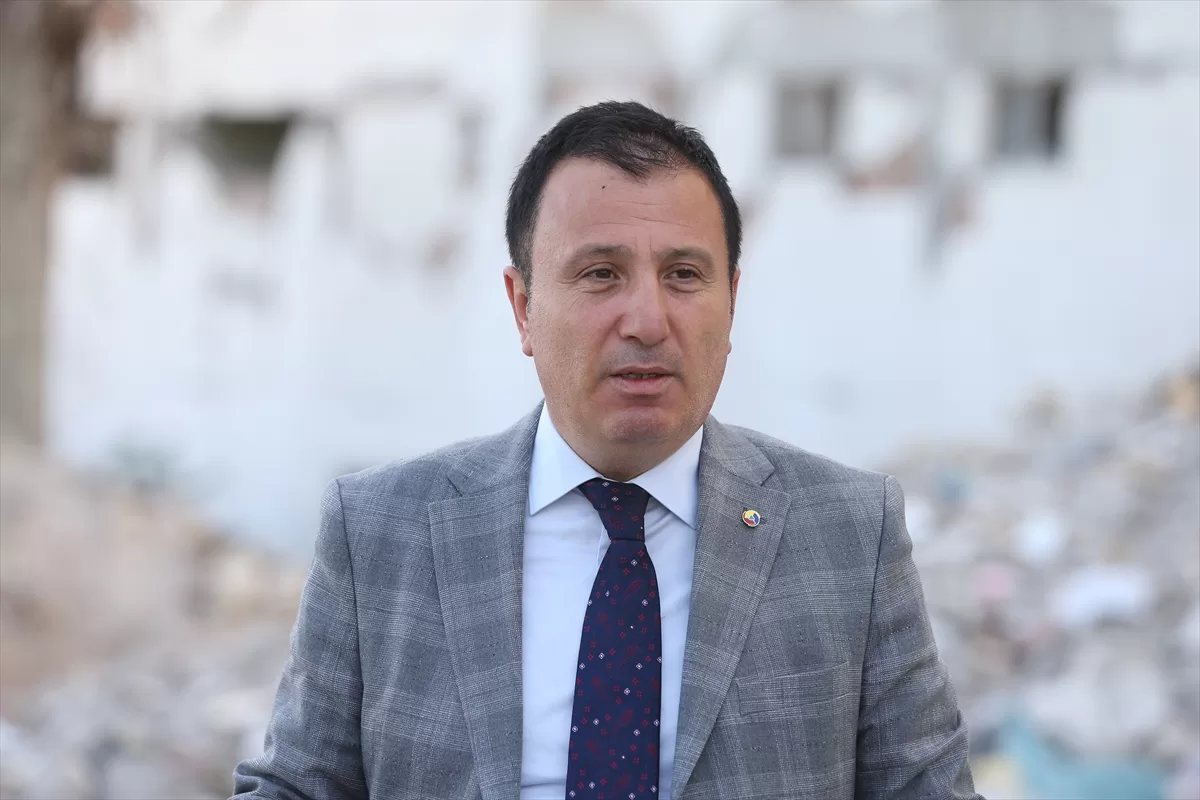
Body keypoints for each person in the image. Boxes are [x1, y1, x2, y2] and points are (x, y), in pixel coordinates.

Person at [232, 101, 980, 800]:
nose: (647, 320)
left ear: (731, 301)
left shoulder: (848, 533)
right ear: (523, 307)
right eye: (601, 275)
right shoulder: (381, 531)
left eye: (683, 275)